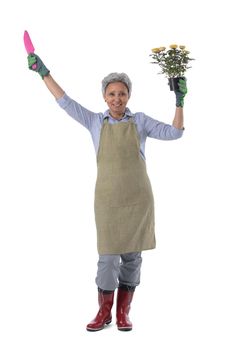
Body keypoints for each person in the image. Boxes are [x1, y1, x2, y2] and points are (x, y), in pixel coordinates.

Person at [27, 53, 187, 332]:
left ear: (129, 95)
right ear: (104, 96)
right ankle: (104, 312)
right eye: (112, 93)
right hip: (108, 201)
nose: (117, 98)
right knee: (108, 257)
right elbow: (65, 102)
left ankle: (123, 312)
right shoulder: (93, 122)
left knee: (133, 257)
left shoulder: (140, 121)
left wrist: (179, 101)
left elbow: (175, 133)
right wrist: (43, 73)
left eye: (122, 93)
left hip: (138, 200)